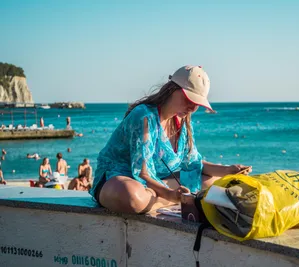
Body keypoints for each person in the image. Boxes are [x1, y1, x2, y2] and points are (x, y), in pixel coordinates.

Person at [89, 65, 252, 214]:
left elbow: (194, 165)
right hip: (119, 178)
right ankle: (165, 200)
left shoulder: (183, 122)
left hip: (155, 185)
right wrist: (171, 195)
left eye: (197, 104)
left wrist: (229, 170)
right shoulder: (144, 116)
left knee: (212, 182)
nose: (192, 108)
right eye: (189, 99)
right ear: (172, 90)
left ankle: (156, 199)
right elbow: (142, 173)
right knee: (132, 196)